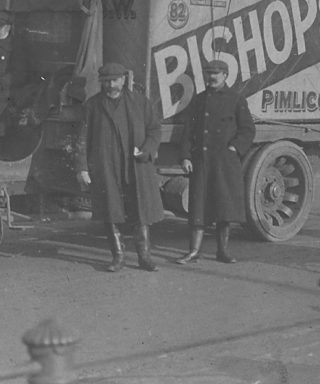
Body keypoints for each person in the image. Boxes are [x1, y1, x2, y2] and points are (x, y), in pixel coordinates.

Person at [74, 62, 163, 272]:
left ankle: (144, 257)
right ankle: (118, 256)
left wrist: (147, 149)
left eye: (114, 80)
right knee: (111, 210)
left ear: (123, 80)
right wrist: (82, 168)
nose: (110, 85)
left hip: (135, 166)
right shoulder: (93, 106)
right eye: (105, 81)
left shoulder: (140, 103)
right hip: (107, 165)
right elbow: (82, 138)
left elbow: (154, 130)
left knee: (140, 210)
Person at [176, 59, 255, 265]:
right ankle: (194, 251)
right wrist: (185, 156)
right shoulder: (199, 100)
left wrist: (234, 148)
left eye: (215, 74)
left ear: (225, 76)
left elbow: (247, 130)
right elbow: (188, 132)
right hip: (202, 162)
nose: (211, 77)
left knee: (223, 207)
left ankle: (223, 251)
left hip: (224, 163)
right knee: (198, 207)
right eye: (208, 73)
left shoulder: (236, 100)